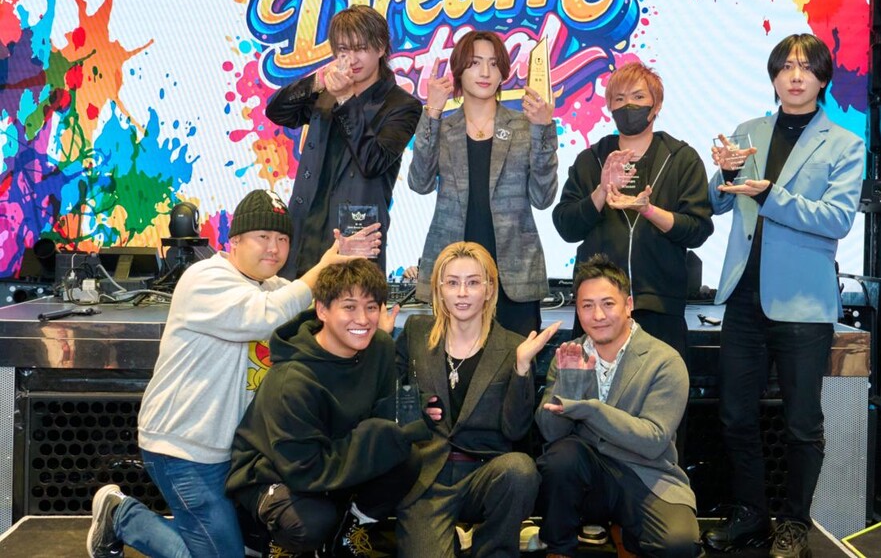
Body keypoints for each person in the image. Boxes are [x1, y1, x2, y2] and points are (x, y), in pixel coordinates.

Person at [87, 189, 371, 558]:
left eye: (282, 239)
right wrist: (322, 269)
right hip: (184, 448)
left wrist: (361, 310)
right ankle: (121, 515)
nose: (274, 248)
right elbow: (263, 316)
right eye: (263, 236)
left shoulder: (274, 288)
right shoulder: (205, 278)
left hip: (235, 454)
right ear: (234, 240)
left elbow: (313, 316)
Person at [702, 33, 864, 558]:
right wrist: (725, 173)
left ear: (823, 77)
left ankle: (795, 522)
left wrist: (772, 195)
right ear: (773, 76)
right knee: (735, 415)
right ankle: (750, 514)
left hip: (802, 303)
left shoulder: (845, 143)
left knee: (801, 423)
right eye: (786, 66)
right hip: (742, 297)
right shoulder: (748, 132)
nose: (795, 76)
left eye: (806, 67)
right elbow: (717, 204)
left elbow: (836, 220)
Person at [227, 258, 430, 558]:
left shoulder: (380, 347)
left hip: (333, 456)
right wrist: (378, 434)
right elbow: (304, 472)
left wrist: (419, 409)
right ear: (322, 310)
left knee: (407, 458)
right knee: (311, 522)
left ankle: (347, 533)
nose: (363, 319)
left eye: (371, 307)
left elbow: (389, 412)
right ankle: (275, 541)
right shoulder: (292, 380)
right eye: (349, 307)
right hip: (276, 472)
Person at [394, 241, 559, 558]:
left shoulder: (513, 346)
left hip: (485, 473)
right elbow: (390, 399)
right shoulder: (416, 332)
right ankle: (454, 539)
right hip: (428, 477)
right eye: (452, 283)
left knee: (520, 471)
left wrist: (521, 368)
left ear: (489, 289)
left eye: (472, 283)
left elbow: (515, 430)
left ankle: (491, 547)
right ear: (439, 289)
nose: (462, 293)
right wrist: (415, 402)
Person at [534, 255, 702, 558]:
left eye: (608, 304)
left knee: (679, 544)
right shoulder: (570, 355)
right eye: (587, 306)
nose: (598, 315)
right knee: (562, 458)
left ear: (628, 305)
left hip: (645, 475)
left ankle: (626, 530)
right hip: (588, 476)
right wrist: (570, 386)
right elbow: (550, 434)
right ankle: (559, 549)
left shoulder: (664, 360)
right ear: (577, 310)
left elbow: (652, 441)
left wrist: (590, 408)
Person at [552, 61, 713, 359]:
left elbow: (698, 229)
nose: (629, 106)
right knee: (589, 388)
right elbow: (566, 226)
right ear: (610, 108)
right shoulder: (591, 159)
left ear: (657, 105)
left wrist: (649, 210)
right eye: (620, 99)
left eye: (639, 97)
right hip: (598, 309)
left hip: (659, 306)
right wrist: (601, 192)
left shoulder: (681, 159)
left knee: (659, 386)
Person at [409, 30, 558, 335]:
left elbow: (543, 198)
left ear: (504, 72)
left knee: (518, 361)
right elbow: (420, 182)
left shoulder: (524, 126)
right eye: (475, 63)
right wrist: (432, 111)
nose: (485, 72)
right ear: (458, 70)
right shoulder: (443, 128)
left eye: (493, 63)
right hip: (455, 277)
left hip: (514, 276)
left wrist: (543, 129)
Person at [267, 3, 421, 278]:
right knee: (291, 302)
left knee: (352, 302)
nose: (352, 59)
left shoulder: (401, 105)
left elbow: (373, 161)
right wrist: (316, 82)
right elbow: (277, 112)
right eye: (343, 50)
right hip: (304, 229)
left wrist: (346, 98)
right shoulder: (325, 91)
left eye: (360, 48)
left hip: (355, 236)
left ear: (381, 47)